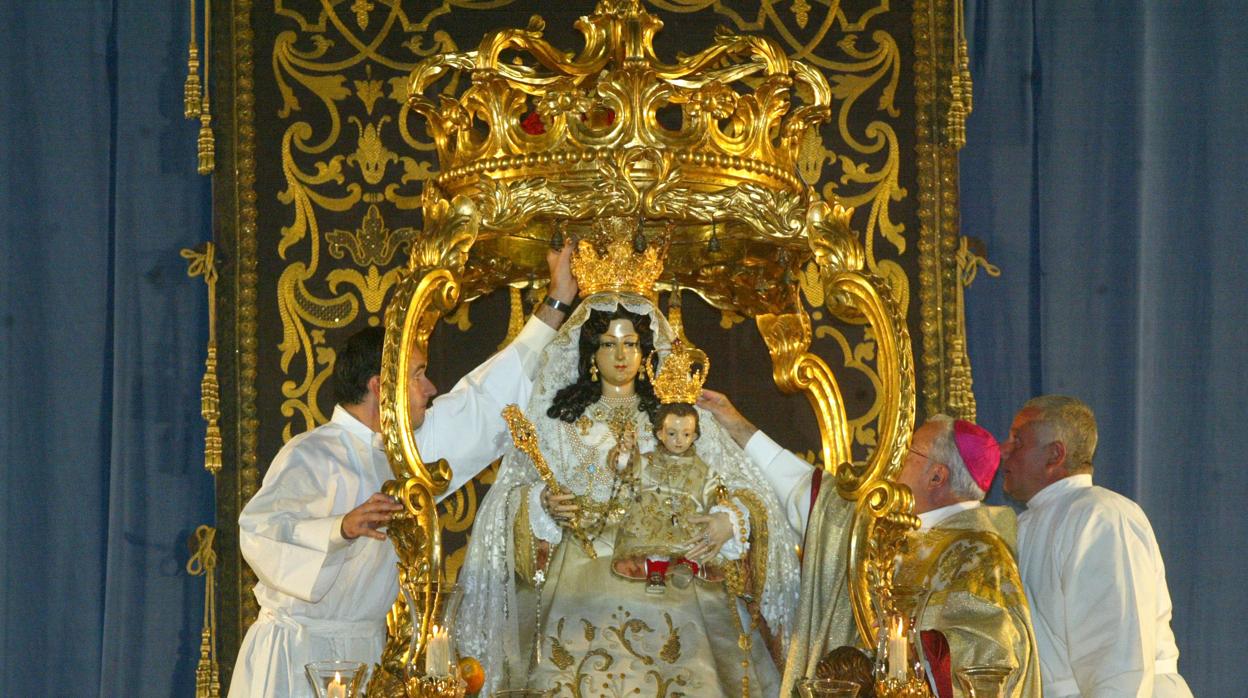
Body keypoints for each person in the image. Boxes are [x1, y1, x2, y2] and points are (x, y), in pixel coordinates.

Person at [228, 244, 579, 698]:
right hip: (297, 659)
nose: (431, 389)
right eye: (418, 374)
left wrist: (557, 300)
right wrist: (340, 528)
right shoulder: (312, 455)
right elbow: (259, 533)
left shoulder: (408, 454)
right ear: (381, 385)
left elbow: (486, 400)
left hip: (369, 656)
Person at [456, 290, 801, 697]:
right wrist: (541, 504)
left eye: (631, 344)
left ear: (646, 352)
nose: (620, 355)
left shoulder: (677, 417)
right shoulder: (559, 424)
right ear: (590, 353)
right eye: (608, 344)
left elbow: (742, 486)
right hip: (580, 566)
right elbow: (508, 497)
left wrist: (729, 519)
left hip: (667, 565)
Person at [1001, 395, 1193, 697]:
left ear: (1055, 454)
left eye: (1017, 440)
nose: (1003, 450)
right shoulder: (1025, 524)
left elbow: (1120, 658)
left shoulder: (1100, 516)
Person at [890, 415, 1041, 698]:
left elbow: (990, 659)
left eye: (909, 452)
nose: (895, 460)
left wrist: (901, 641)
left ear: (937, 476)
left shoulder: (978, 554)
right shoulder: (909, 537)